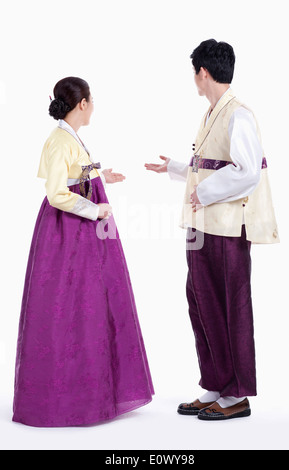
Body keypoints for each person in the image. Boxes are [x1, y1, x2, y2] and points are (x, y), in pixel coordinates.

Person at [145, 39, 279, 421]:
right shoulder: (212, 114)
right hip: (200, 226)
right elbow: (211, 164)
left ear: (203, 73)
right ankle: (215, 385)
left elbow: (247, 172)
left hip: (224, 228)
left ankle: (236, 394)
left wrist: (202, 192)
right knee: (201, 303)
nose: (194, 79)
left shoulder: (239, 115)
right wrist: (173, 167)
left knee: (229, 306)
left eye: (194, 73)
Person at [12, 76, 154, 427]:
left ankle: (90, 390)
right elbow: (57, 192)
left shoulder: (67, 136)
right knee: (70, 304)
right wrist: (96, 210)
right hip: (69, 231)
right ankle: (68, 395)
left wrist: (102, 174)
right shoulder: (60, 140)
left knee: (87, 301)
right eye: (92, 100)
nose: (93, 105)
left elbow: (76, 174)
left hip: (80, 230)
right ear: (82, 104)